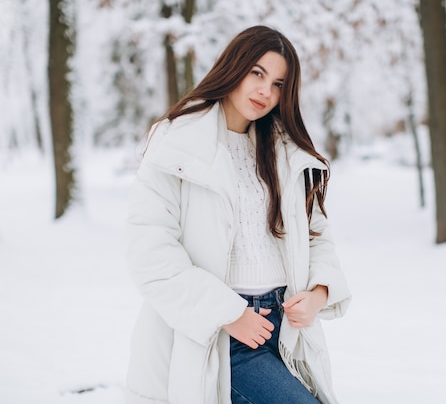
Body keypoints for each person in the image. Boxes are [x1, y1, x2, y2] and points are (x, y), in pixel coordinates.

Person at [124, 25, 351, 404]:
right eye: (257, 73)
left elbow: (315, 235)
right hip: (221, 334)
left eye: (279, 84)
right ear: (234, 67)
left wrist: (320, 291)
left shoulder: (284, 151)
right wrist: (228, 314)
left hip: (286, 329)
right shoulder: (177, 142)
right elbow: (150, 253)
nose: (266, 91)